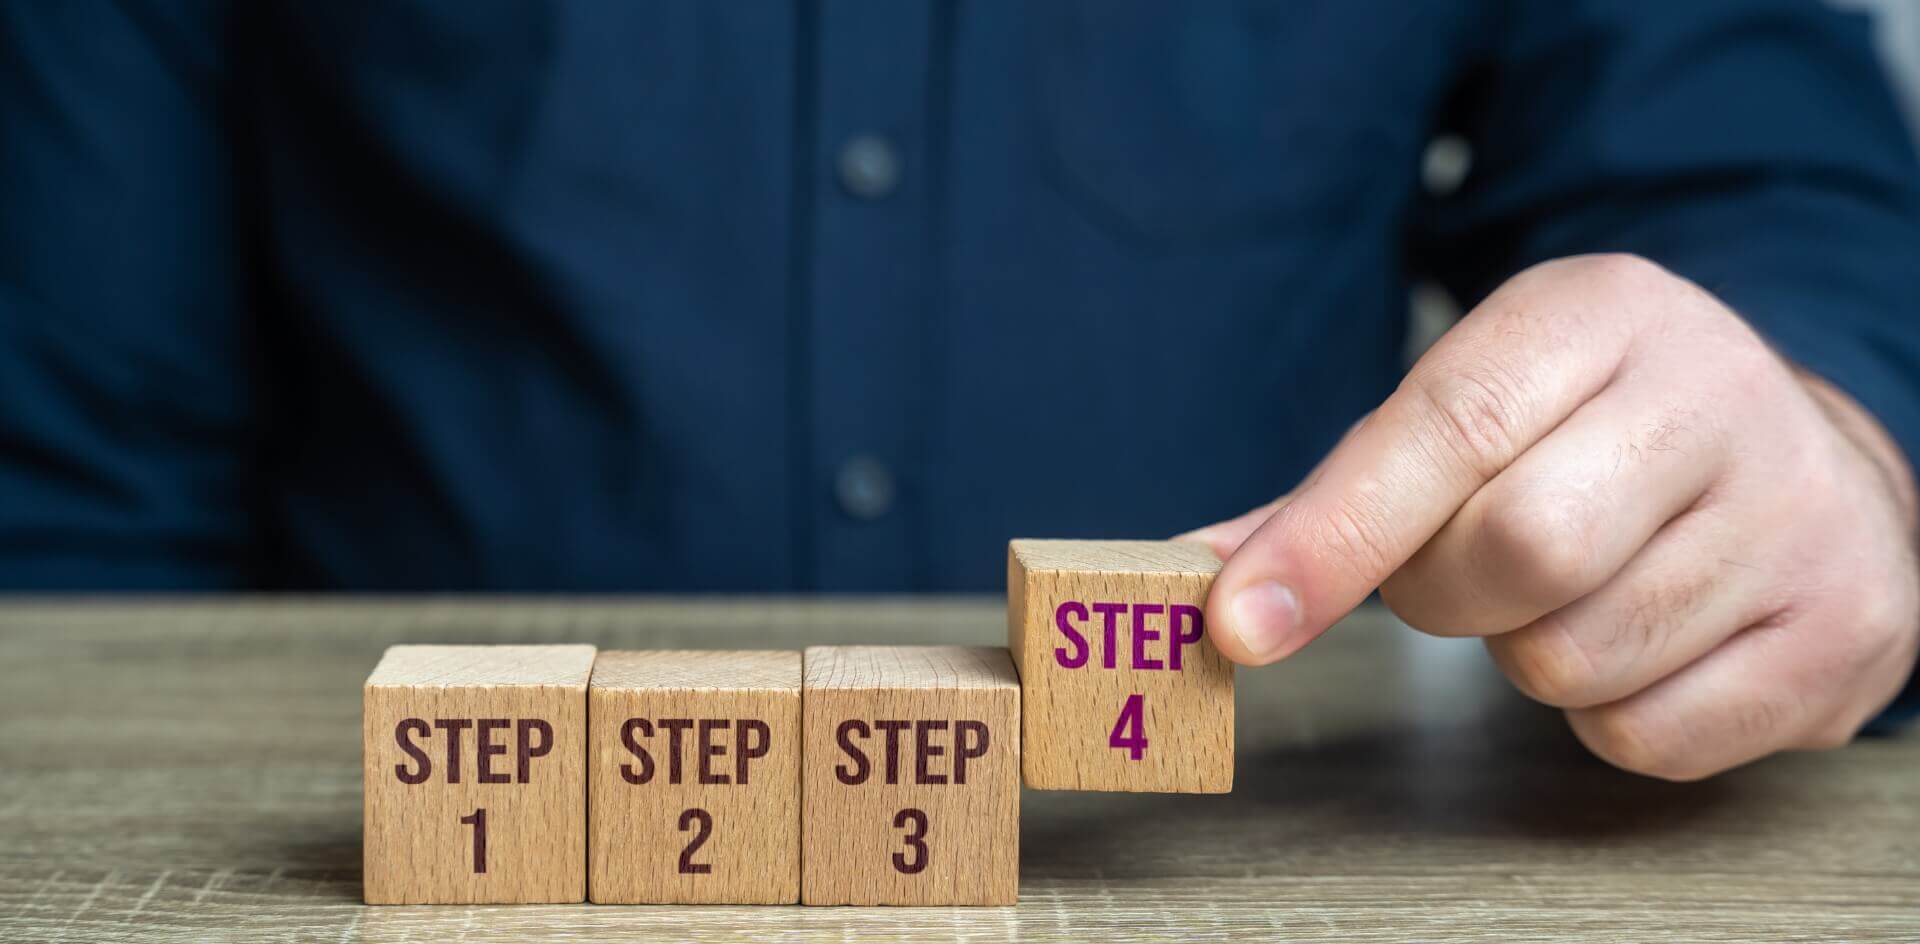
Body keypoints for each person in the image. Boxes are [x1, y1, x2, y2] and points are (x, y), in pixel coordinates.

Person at [4, 2, 1919, 780]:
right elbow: (68, 496)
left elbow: (1753, 179)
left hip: (1243, 932)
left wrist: (1828, 445)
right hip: (396, 896)